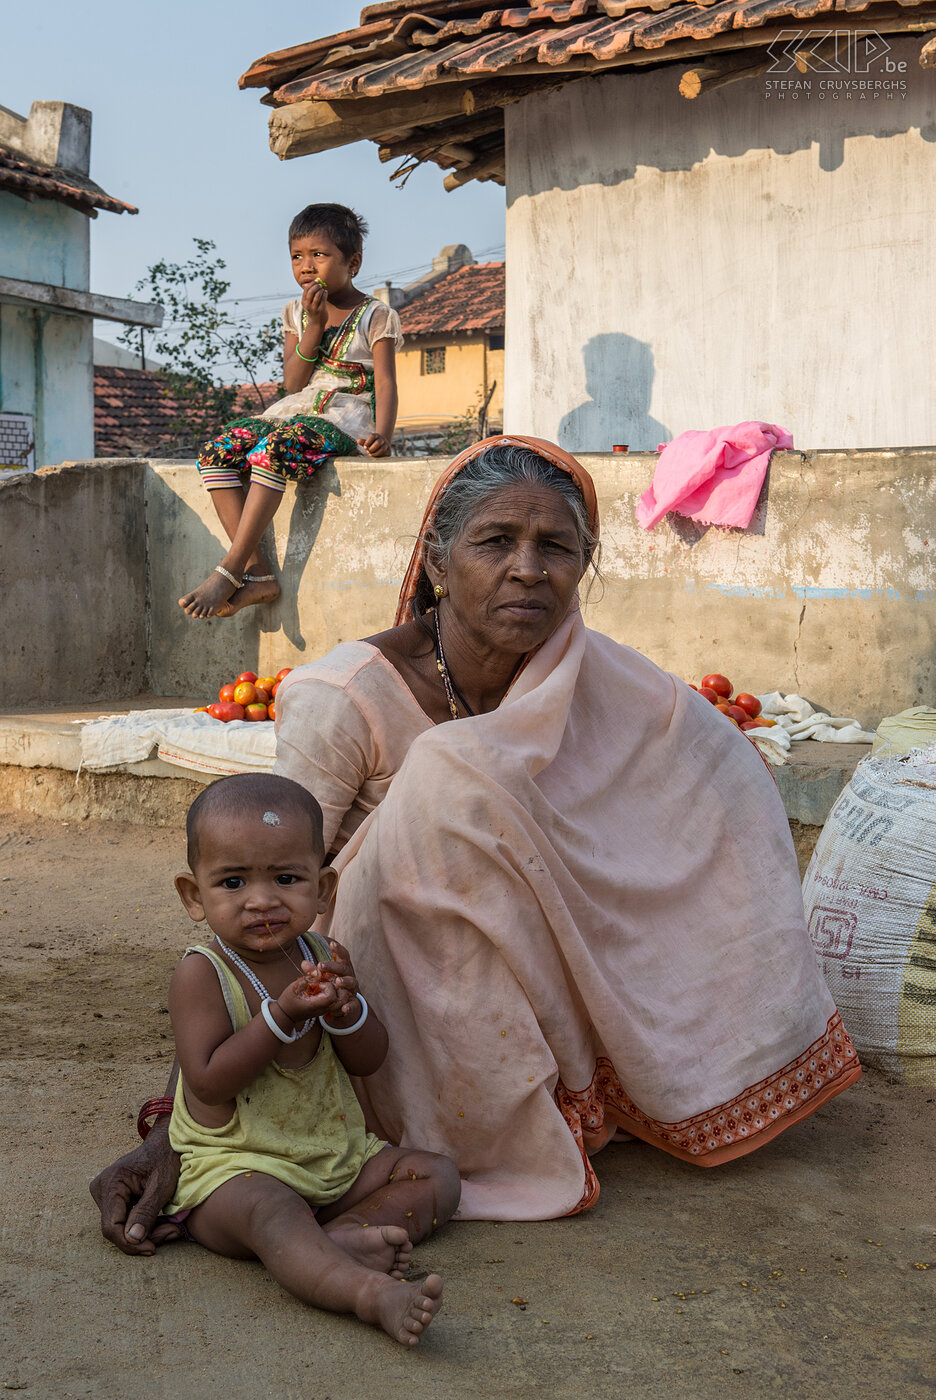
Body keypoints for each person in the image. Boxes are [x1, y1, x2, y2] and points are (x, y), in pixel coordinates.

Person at [92, 436, 860, 1244]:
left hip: (546, 975)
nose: (529, 569)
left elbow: (710, 791)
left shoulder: (599, 680)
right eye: (496, 542)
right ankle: (475, 1118)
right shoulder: (342, 698)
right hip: (377, 1011)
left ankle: (613, 1084)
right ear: (436, 563)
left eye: (556, 547)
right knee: (452, 770)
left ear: (582, 569)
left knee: (707, 764)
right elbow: (266, 913)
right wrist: (178, 1126)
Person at [153, 772, 458, 1345]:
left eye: (286, 879)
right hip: (232, 1173)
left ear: (323, 890)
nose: (262, 900)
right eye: (233, 881)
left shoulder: (323, 954)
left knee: (436, 1174)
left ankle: (335, 1241)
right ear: (195, 896)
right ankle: (367, 1294)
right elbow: (210, 1081)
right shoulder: (201, 975)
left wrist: (348, 1011)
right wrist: (282, 1016)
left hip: (331, 1157)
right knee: (272, 1210)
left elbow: (368, 1060)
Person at [178, 203, 402, 620]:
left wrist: (384, 435)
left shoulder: (376, 315)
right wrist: (313, 325)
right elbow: (294, 383)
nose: (306, 266)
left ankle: (229, 569)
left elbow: (386, 381)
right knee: (216, 454)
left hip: (346, 416)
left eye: (319, 255)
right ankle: (257, 574)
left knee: (273, 451)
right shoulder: (295, 313)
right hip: (299, 407)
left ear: (352, 262)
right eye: (296, 256)